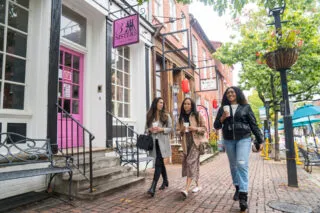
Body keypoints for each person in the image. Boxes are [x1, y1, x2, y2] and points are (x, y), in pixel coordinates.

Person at [214, 86, 263, 212]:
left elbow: (253, 124)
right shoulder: (223, 109)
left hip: (244, 138)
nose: (230, 94)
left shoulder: (246, 107)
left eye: (232, 92)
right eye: (228, 92)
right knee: (233, 166)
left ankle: (243, 196)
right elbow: (216, 126)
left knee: (242, 164)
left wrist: (260, 140)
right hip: (229, 139)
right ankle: (237, 186)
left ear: (237, 94)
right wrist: (222, 118)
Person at [178, 98, 207, 199]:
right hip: (186, 142)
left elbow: (204, 128)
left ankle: (186, 189)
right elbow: (179, 132)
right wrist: (181, 130)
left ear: (191, 105)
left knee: (190, 162)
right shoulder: (181, 117)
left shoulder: (197, 115)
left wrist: (195, 128)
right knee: (194, 164)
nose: (186, 105)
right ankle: (198, 185)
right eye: (185, 104)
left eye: (188, 104)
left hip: (196, 142)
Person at [146, 97, 172, 197]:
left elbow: (170, 129)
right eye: (160, 102)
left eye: (162, 103)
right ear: (155, 103)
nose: (161, 104)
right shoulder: (149, 115)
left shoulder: (166, 116)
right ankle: (165, 180)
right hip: (153, 143)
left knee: (158, 163)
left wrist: (161, 129)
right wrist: (150, 129)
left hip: (163, 143)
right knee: (160, 162)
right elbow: (146, 129)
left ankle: (153, 187)